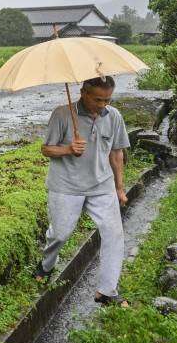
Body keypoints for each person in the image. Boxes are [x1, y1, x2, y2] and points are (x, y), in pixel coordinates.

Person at [34, 76, 131, 306]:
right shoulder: (62, 114)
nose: (102, 105)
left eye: (107, 100)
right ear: (83, 92)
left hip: (101, 185)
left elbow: (116, 154)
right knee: (60, 234)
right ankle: (46, 265)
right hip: (66, 185)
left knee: (114, 234)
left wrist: (119, 188)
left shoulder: (114, 116)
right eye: (98, 99)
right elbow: (46, 149)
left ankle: (107, 291)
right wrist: (68, 148)